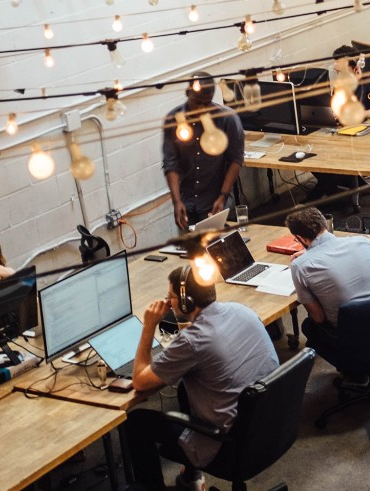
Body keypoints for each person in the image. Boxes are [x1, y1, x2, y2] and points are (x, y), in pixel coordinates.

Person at [126, 266, 279, 491]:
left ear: (187, 302)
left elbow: (140, 381)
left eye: (171, 297)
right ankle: (191, 478)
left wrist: (148, 327)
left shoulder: (192, 341)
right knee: (186, 388)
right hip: (269, 427)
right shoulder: (240, 310)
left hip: (228, 446)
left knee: (136, 422)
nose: (168, 303)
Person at [285, 207, 370, 353]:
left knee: (309, 326)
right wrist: (310, 252)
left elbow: (319, 318)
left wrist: (309, 255)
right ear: (324, 224)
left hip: (353, 337)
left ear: (301, 238)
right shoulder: (362, 243)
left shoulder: (300, 266)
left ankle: (354, 366)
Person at [162, 71, 246, 230]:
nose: (201, 108)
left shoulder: (227, 119)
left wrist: (223, 195)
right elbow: (170, 163)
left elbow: (236, 160)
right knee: (191, 250)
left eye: (207, 103)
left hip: (215, 200)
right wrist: (176, 201)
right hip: (187, 201)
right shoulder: (173, 119)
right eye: (197, 102)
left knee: (220, 247)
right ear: (188, 93)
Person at [302, 46, 370, 203]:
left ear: (354, 69)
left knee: (333, 159)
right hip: (340, 132)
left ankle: (312, 201)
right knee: (312, 154)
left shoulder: (368, 85)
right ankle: (329, 188)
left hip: (362, 137)